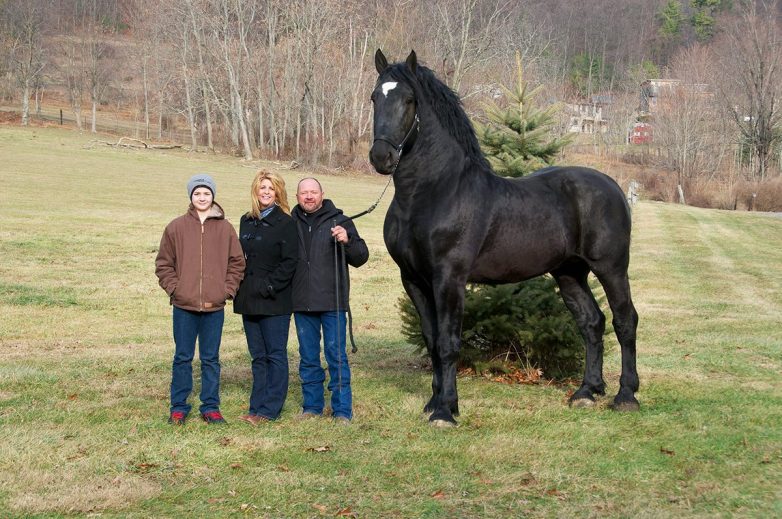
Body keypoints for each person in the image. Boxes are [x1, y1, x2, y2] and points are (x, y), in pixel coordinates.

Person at [155, 174, 245, 425]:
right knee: (182, 356)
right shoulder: (176, 227)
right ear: (191, 197)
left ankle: (210, 406)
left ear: (213, 196)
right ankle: (179, 406)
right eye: (197, 193)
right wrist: (176, 290)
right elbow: (164, 264)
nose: (202, 197)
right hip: (184, 305)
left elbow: (237, 263)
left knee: (210, 358)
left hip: (214, 306)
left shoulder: (225, 228)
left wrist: (226, 291)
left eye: (206, 193)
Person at [291, 178, 369, 423]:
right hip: (302, 303)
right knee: (308, 357)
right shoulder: (289, 222)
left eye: (313, 192)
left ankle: (342, 410)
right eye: (304, 193)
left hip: (333, 302)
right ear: (297, 197)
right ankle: (312, 407)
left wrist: (347, 240)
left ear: (322, 194)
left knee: (336, 356)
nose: (309, 196)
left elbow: (361, 257)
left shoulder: (341, 221)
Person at [233, 171, 298, 425]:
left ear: (278, 192)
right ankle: (255, 406)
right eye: (262, 188)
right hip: (249, 298)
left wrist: (270, 286)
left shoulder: (286, 223)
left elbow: (290, 261)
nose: (267, 192)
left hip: (275, 300)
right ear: (255, 191)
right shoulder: (246, 220)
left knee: (275, 354)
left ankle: (270, 409)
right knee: (258, 355)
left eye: (271, 188)